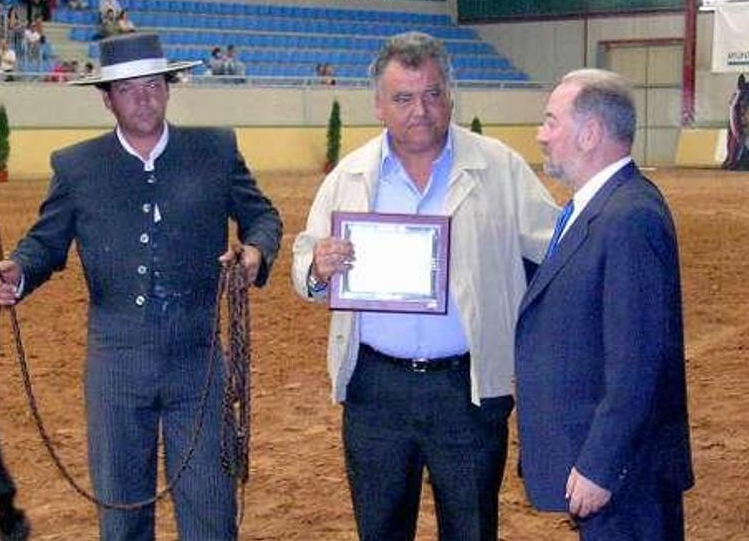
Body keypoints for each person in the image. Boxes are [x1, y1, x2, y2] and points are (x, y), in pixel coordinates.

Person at [0, 32, 282, 540]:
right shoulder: (76, 166)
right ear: (107, 99)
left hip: (200, 362)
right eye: (128, 89)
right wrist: (19, 270)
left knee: (211, 515)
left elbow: (262, 216)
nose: (143, 97)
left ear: (168, 89)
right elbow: (46, 243)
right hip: (116, 366)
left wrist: (255, 249)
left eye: (152, 85)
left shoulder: (215, 149)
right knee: (121, 520)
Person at [291, 31, 559, 540]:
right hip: (375, 391)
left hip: (468, 387)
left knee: (472, 529)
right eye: (404, 98)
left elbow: (555, 252)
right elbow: (304, 261)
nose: (421, 110)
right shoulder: (348, 177)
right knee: (381, 530)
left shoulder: (499, 167)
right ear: (378, 105)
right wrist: (316, 268)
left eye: (433, 94)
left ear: (450, 96)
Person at [516, 68, 694, 540]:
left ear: (590, 133)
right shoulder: (597, 208)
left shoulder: (628, 217)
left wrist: (600, 465)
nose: (541, 134)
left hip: (625, 478)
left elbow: (639, 360)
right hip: (618, 475)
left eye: (551, 121)